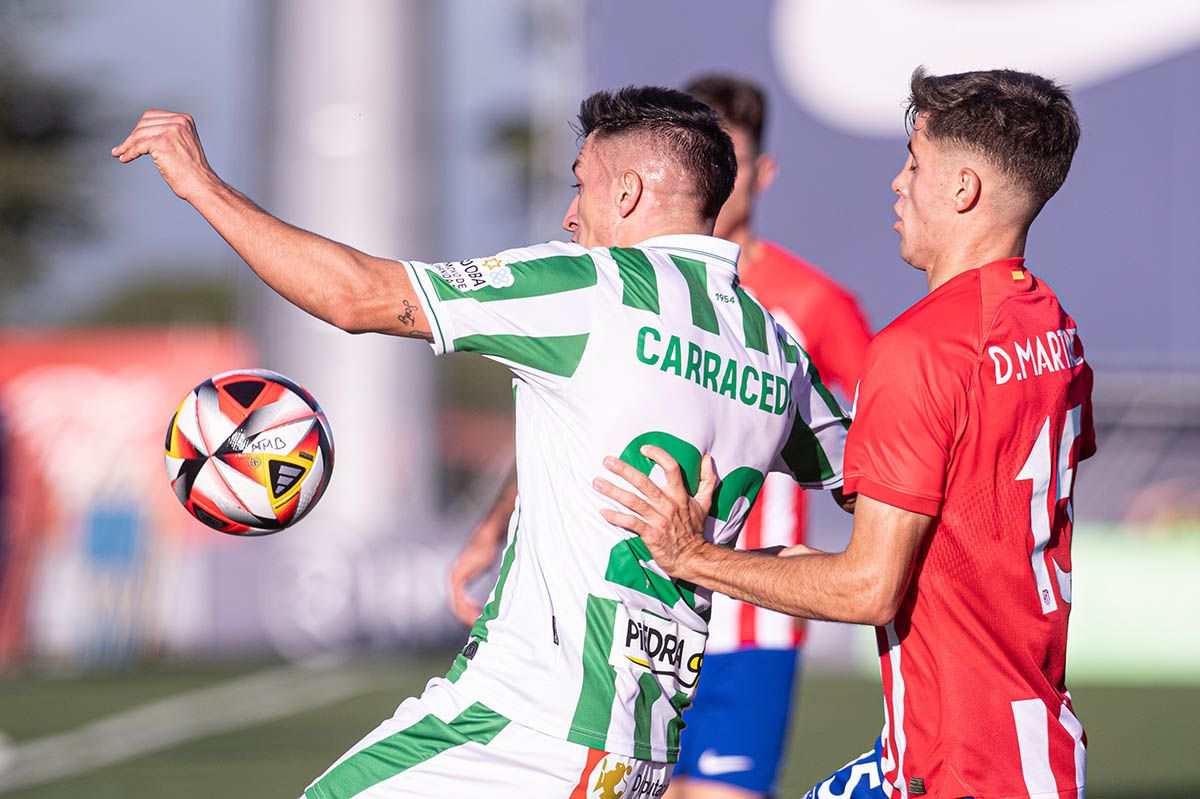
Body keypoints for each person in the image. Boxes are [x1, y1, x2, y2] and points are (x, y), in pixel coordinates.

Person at [114, 86, 852, 797]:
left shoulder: (588, 288)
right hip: (630, 747)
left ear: (626, 193)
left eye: (581, 184)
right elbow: (868, 480)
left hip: (529, 728)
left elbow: (357, 295)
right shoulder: (775, 346)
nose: (569, 216)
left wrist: (203, 187)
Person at [595, 67, 1095, 799]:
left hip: (956, 764)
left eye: (914, 164)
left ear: (964, 190)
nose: (897, 183)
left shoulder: (917, 348)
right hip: (1021, 745)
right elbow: (969, 507)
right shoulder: (1055, 328)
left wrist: (694, 554)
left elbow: (869, 588)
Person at [448, 75, 872, 799]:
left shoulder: (812, 306)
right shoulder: (622, 288)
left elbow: (870, 459)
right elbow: (581, 418)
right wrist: (495, 526)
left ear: (754, 173)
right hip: (622, 609)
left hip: (748, 619)